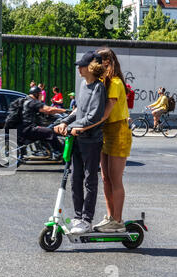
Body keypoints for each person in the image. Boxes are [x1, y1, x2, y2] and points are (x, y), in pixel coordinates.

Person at [54, 51, 106, 234]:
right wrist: (65, 122)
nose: (79, 69)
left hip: (91, 140)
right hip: (76, 138)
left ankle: (86, 219)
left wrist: (76, 127)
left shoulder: (99, 88)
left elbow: (94, 116)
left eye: (81, 65)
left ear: (91, 68)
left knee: (89, 179)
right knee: (76, 177)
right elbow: (79, 111)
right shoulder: (83, 85)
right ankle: (77, 217)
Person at [91, 47, 132, 233]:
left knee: (115, 179)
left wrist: (86, 125)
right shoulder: (103, 82)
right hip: (106, 130)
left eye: (97, 60)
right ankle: (110, 217)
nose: (94, 64)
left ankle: (118, 220)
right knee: (106, 178)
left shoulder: (115, 82)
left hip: (118, 130)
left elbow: (107, 111)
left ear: (107, 62)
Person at [21, 86, 67, 160]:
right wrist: (64, 111)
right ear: (36, 94)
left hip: (23, 127)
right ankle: (58, 152)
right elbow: (49, 109)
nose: (41, 96)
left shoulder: (25, 100)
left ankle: (45, 150)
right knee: (49, 132)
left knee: (43, 131)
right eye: (40, 94)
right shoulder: (32, 102)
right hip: (28, 128)